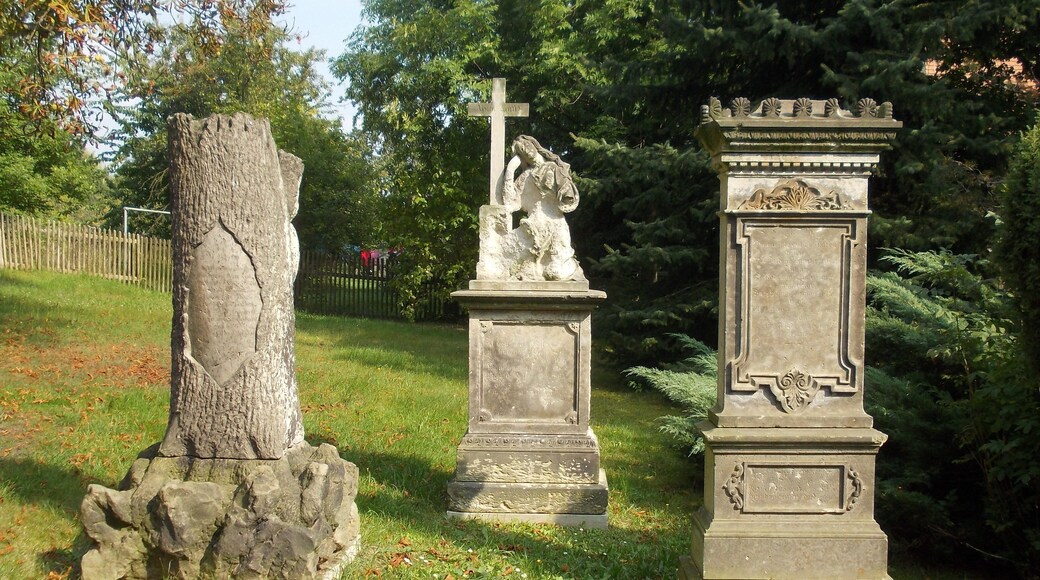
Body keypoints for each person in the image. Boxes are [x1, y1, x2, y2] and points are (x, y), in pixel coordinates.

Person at [499, 135, 584, 281]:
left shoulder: (555, 169)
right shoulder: (526, 177)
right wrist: (510, 171)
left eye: (526, 145)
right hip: (533, 229)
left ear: (534, 145)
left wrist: (562, 190)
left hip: (556, 225)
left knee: (555, 273)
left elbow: (568, 194)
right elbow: (510, 201)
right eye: (520, 150)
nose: (525, 150)